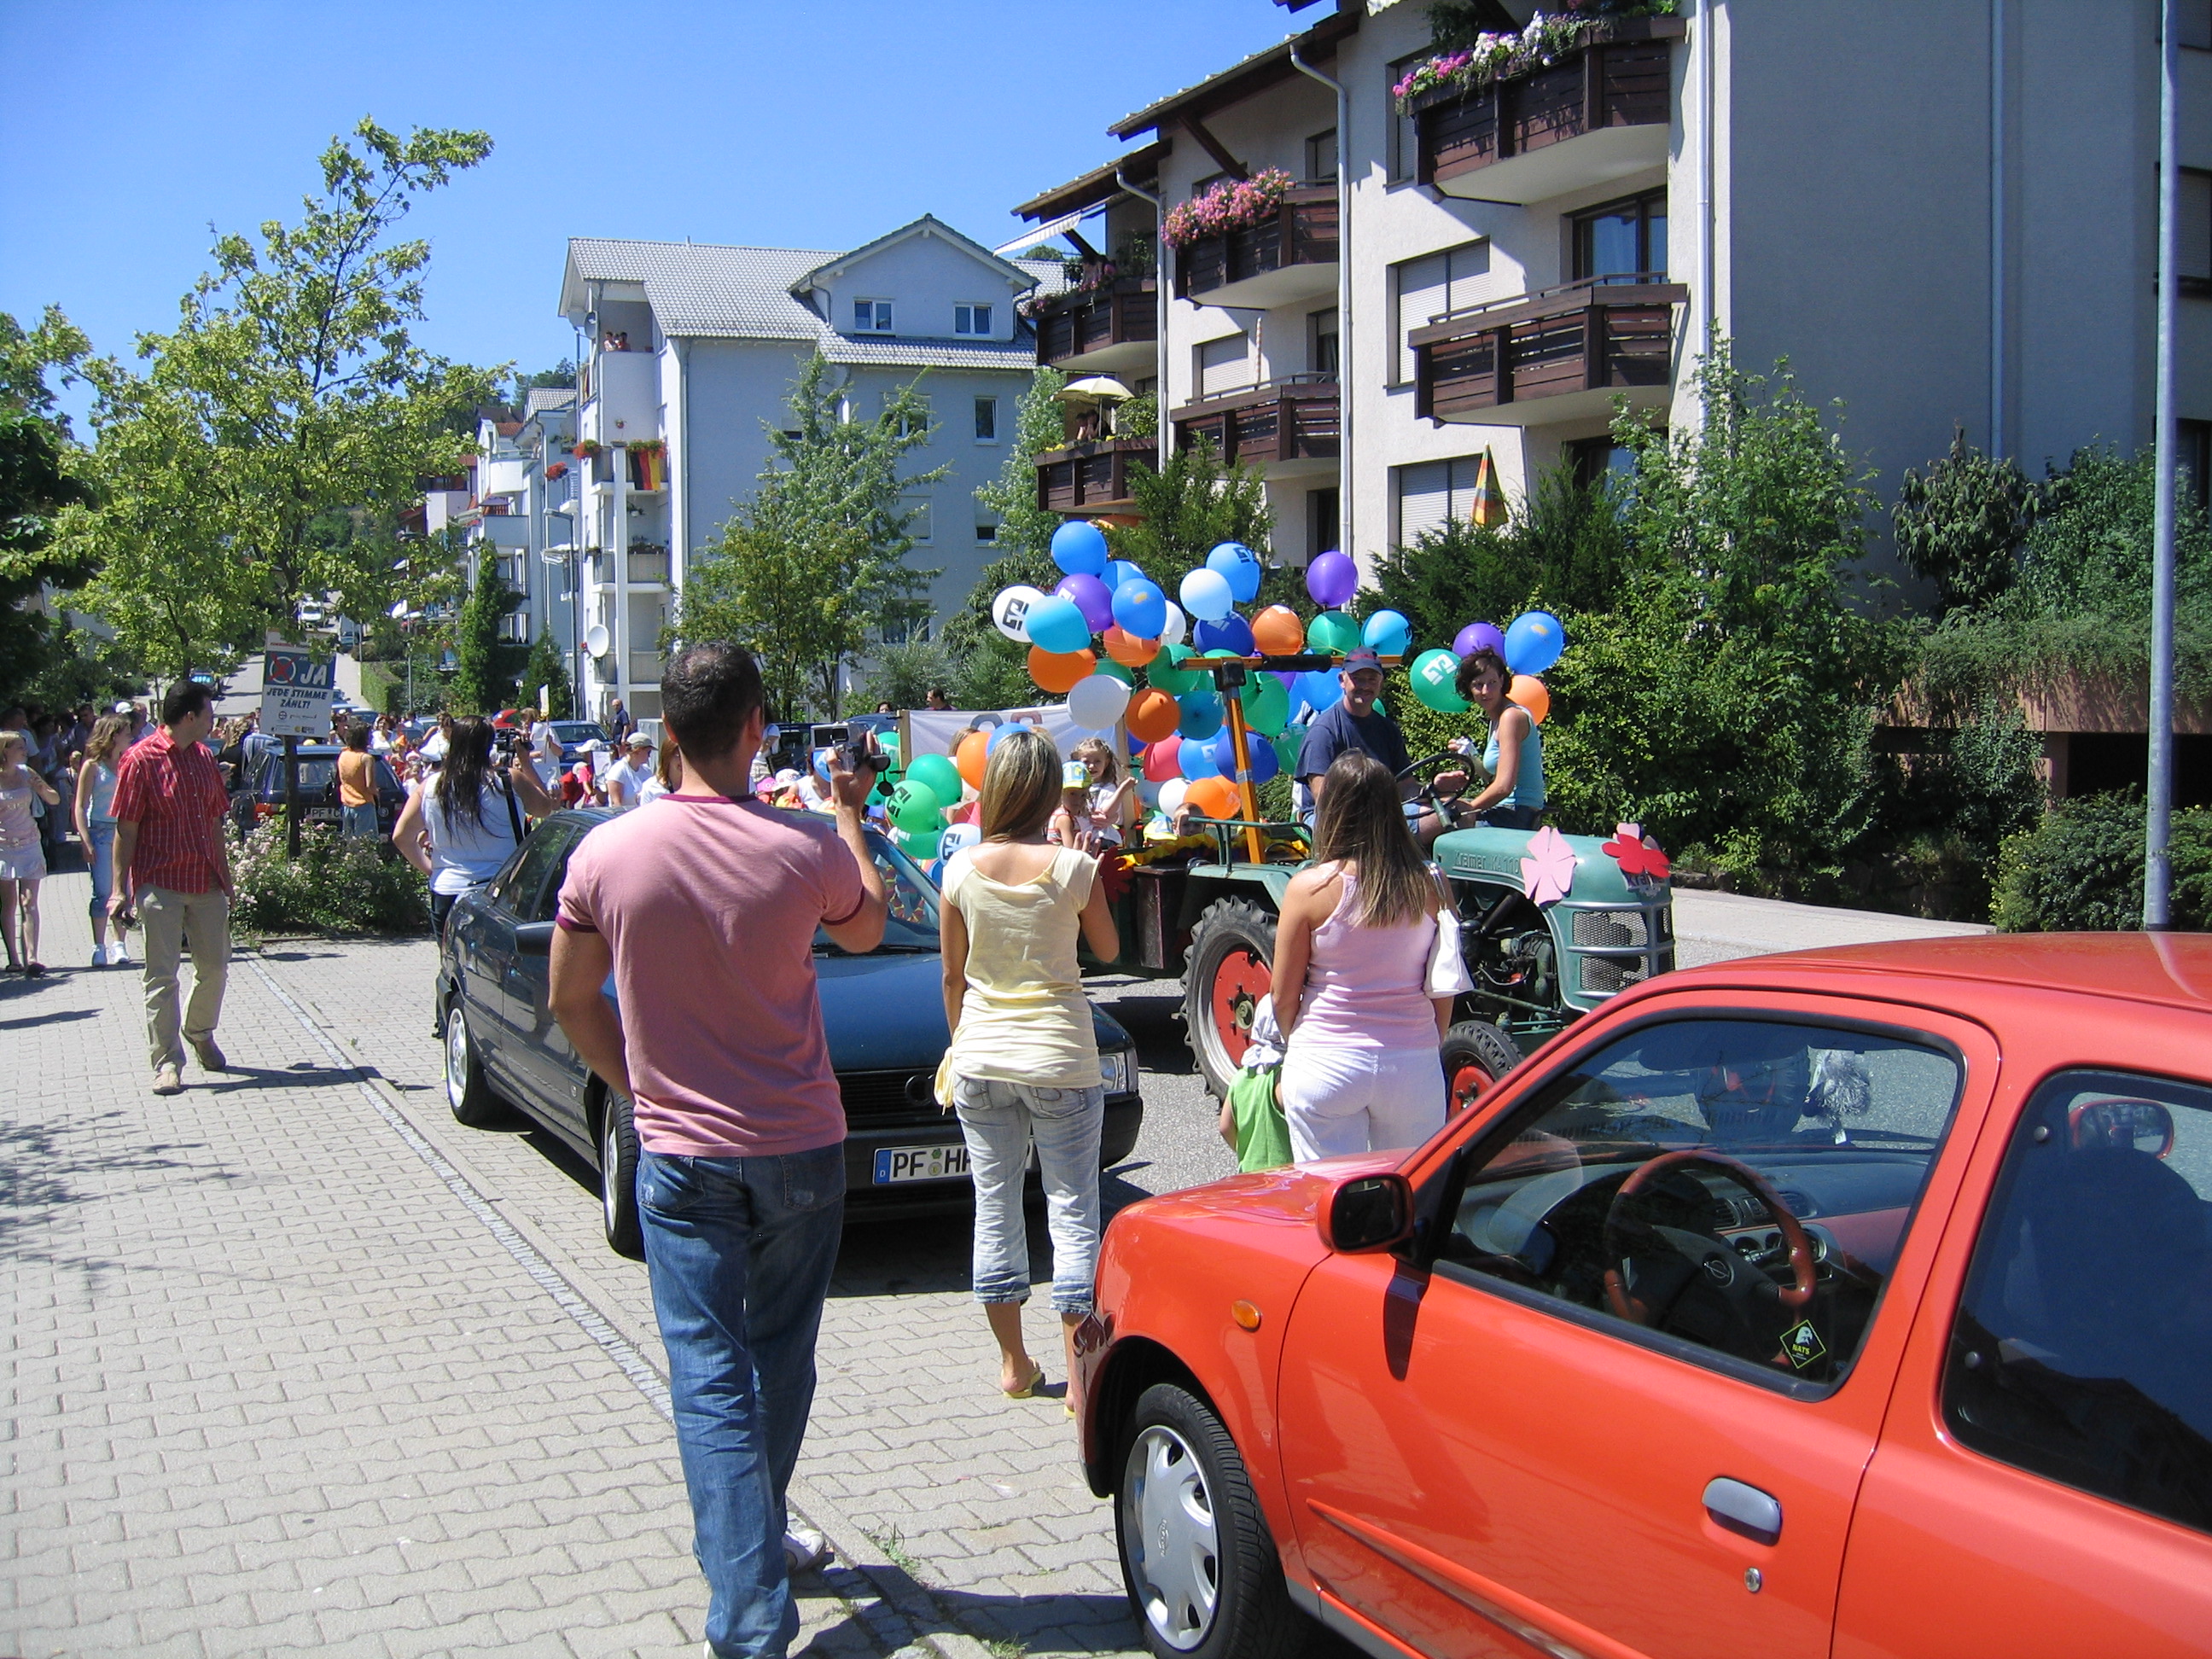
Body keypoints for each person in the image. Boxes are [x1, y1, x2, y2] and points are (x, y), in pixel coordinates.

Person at [548, 642, 889, 1659]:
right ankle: (752, 1566)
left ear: (665, 734)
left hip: (682, 1157)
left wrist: (638, 1088)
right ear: (756, 728)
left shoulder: (605, 854)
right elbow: (868, 931)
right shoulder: (804, 848)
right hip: (801, 1151)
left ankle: (747, 1591)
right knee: (779, 1359)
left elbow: (570, 999)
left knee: (709, 1376)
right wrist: (846, 813)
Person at [937, 729, 1120, 1402]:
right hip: (1059, 1056)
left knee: (995, 1206)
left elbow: (952, 977)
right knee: (1072, 1212)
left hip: (982, 1055)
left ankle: (1015, 1364)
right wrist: (1084, 874)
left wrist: (964, 1043)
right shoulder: (1072, 868)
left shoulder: (959, 870)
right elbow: (1108, 950)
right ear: (1048, 793)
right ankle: (1080, 1379)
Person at [1269, 750, 1453, 1161]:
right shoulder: (1433, 883)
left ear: (1331, 809)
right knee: (1410, 1188)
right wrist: (1427, 1043)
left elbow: (1282, 994)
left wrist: (1299, 1046)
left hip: (1325, 1057)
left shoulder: (1308, 889)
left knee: (1328, 1191)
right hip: (1411, 1060)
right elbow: (1444, 982)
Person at [109, 683, 234, 1094]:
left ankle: (199, 1031)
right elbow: (126, 828)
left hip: (205, 880)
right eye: (209, 714)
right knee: (162, 976)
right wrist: (119, 889)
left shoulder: (204, 757)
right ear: (189, 717)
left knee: (215, 968)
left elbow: (214, 822)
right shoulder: (140, 759)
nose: (213, 721)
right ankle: (167, 1062)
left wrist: (226, 879)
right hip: (159, 882)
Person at [392, 716, 556, 934]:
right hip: (500, 890)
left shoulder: (431, 786)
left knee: (451, 954)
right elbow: (544, 808)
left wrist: (431, 870)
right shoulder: (509, 780)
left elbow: (401, 836)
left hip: (448, 889)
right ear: (488, 745)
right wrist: (526, 763)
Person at [1296, 648, 1467, 846]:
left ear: (1380, 683)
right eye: (1358, 679)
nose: (1365, 686)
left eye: (1372, 679)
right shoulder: (1324, 731)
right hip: (1332, 820)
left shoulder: (1387, 729)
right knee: (1437, 820)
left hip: (1378, 812)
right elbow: (1325, 799)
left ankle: (1429, 864)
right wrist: (1379, 813)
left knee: (1462, 811)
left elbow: (1405, 788)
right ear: (1342, 680)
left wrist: (1432, 790)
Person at [1453, 646, 1545, 830]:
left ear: (1502, 681)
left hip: (1517, 814)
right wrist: (1470, 759)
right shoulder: (1497, 718)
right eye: (1478, 685)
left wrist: (1468, 810)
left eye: (1492, 682)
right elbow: (1492, 779)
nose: (1486, 691)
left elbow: (1504, 787)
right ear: (1469, 687)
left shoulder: (1511, 717)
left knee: (1437, 829)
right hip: (1506, 810)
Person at [73, 713, 134, 967]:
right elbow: (80, 805)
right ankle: (99, 946)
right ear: (113, 735)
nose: (130, 737)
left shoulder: (129, 763)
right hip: (100, 831)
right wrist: (85, 838)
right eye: (126, 733)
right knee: (102, 891)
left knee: (125, 891)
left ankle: (120, 943)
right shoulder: (93, 766)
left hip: (126, 830)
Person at [0, 728, 61, 975]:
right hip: (3, 847)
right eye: (20, 747)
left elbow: (54, 799)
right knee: (8, 903)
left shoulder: (27, 773)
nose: (25, 751)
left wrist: (42, 790)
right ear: (4, 751)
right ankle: (14, 959)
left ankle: (33, 958)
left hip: (29, 843)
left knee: (29, 902)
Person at [336, 724, 379, 837]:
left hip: (346, 803)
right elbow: (370, 786)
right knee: (366, 842)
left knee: (349, 841)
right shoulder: (366, 758)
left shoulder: (343, 754)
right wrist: (377, 793)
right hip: (364, 804)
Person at [604, 731, 655, 810]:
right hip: (625, 816)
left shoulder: (647, 771)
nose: (649, 756)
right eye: (648, 752)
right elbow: (616, 804)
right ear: (638, 750)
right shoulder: (618, 771)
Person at [638, 735, 683, 806]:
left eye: (687, 757)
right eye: (679, 756)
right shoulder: (651, 787)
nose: (683, 761)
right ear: (667, 757)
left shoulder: (697, 787)